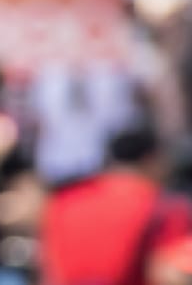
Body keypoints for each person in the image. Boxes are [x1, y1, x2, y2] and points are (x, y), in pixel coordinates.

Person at [42, 117, 192, 285]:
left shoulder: (65, 201)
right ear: (151, 160)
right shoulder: (163, 206)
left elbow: (49, 270)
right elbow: (171, 273)